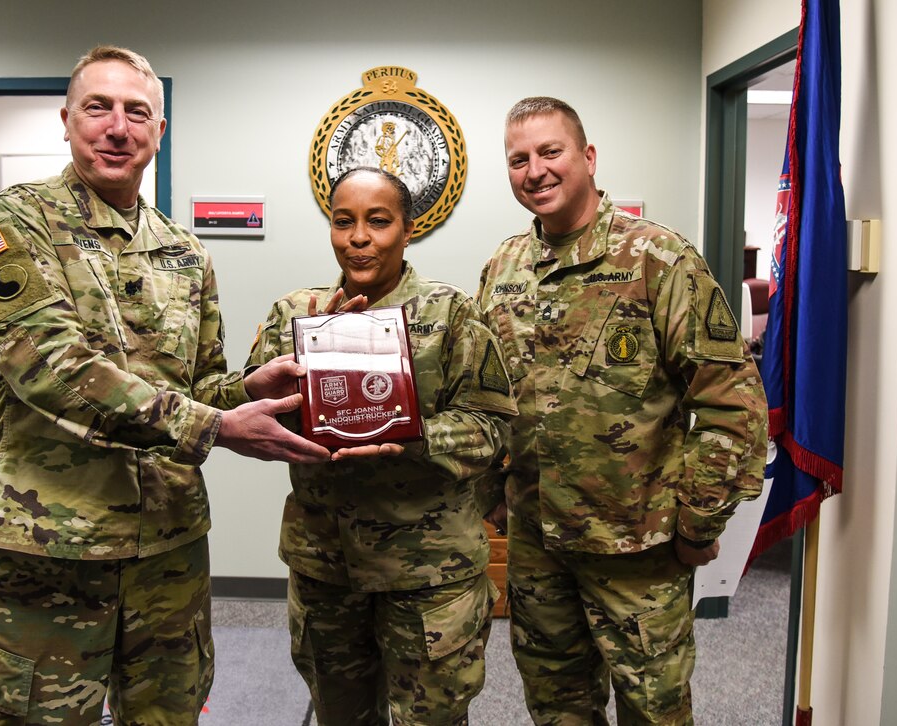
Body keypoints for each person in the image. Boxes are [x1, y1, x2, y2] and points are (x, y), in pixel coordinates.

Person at [0, 46, 332, 725]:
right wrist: (212, 425)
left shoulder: (185, 251)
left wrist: (244, 390)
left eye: (137, 112)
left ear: (160, 131)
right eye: (98, 108)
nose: (117, 127)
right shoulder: (10, 225)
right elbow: (52, 369)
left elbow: (200, 380)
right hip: (46, 548)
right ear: (66, 120)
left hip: (167, 547)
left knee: (167, 715)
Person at [476, 97, 768, 724]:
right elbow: (489, 395)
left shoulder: (658, 261)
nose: (536, 171)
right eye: (518, 159)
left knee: (653, 710)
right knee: (557, 708)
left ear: (587, 156)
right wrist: (490, 493)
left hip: (638, 549)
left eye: (550, 152)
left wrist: (698, 526)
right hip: (537, 545)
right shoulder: (503, 269)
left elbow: (731, 407)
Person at [246, 167, 518, 725]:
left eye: (378, 220)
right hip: (326, 568)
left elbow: (494, 430)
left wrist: (411, 432)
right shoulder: (294, 315)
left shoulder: (451, 317)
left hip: (428, 575)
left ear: (408, 228)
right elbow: (248, 413)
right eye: (343, 222)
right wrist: (284, 386)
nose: (359, 237)